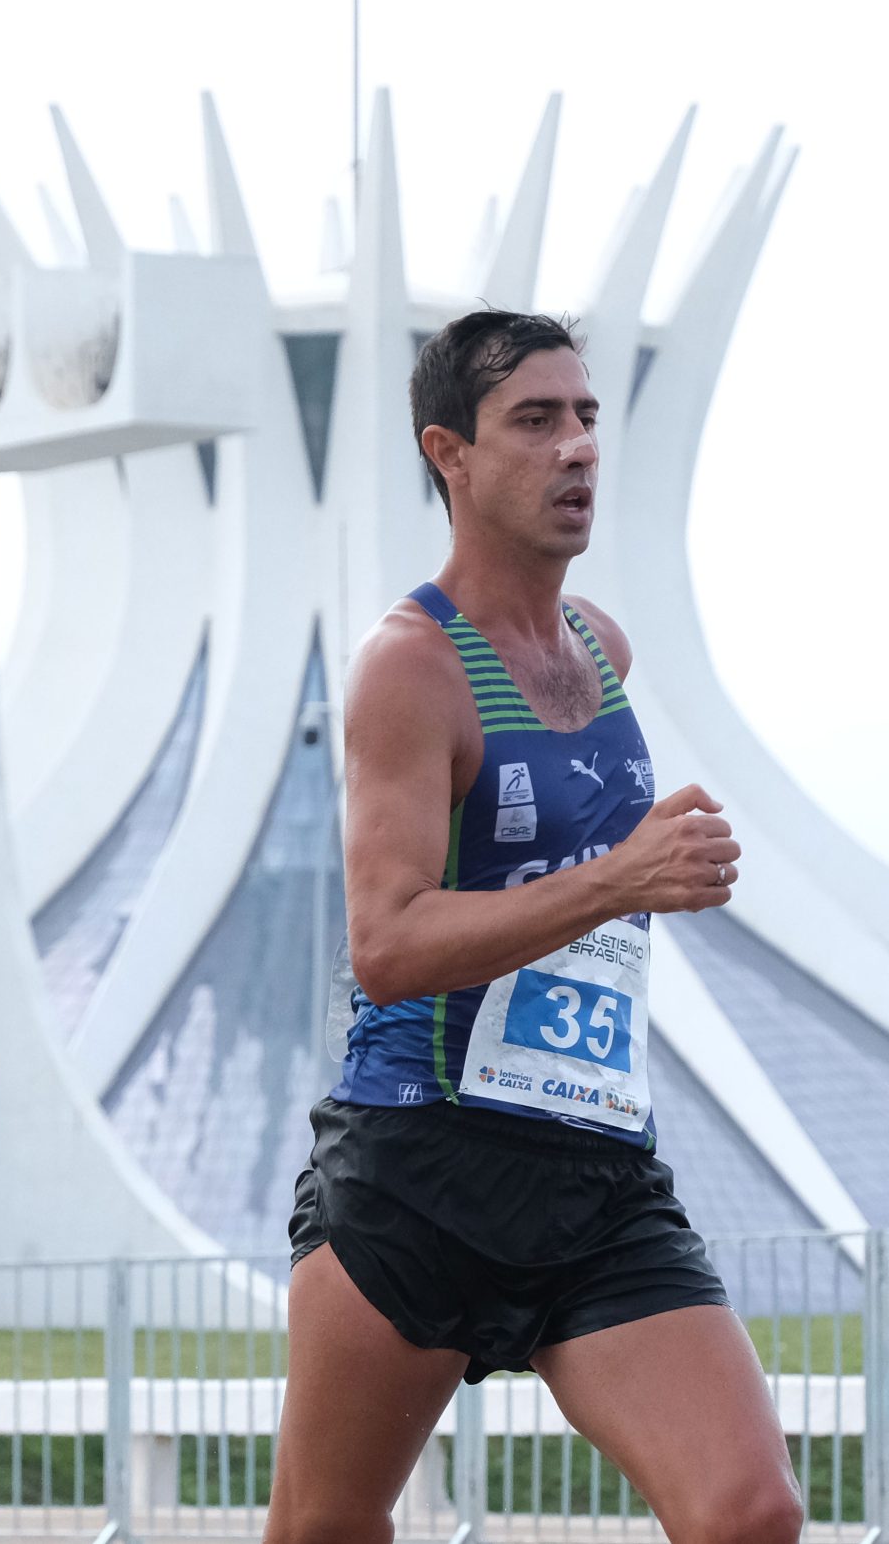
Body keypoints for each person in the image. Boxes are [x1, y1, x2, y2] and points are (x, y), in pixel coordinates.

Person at [267, 309, 805, 1544]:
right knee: (323, 1533)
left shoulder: (598, 648)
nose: (577, 451)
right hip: (423, 1168)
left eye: (586, 419)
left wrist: (659, 876)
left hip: (599, 1170)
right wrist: (621, 878)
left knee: (748, 1514)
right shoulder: (411, 667)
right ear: (447, 452)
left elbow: (599, 885)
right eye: (535, 422)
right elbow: (386, 945)